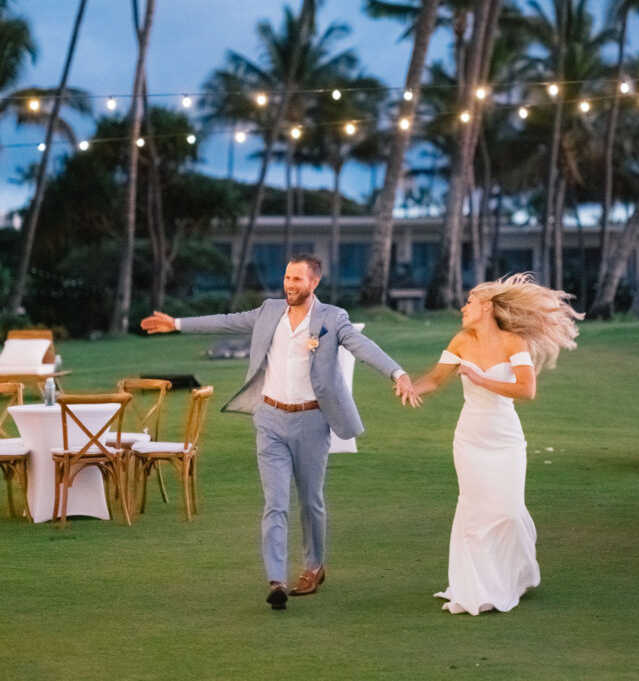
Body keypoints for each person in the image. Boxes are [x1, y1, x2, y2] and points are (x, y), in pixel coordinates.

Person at [141, 253, 418, 611]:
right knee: (275, 502)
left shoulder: (332, 319)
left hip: (312, 422)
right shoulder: (269, 311)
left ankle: (314, 566)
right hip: (270, 419)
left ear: (314, 282)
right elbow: (226, 322)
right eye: (287, 278)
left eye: (297, 280)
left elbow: (362, 347)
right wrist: (176, 323)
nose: (289, 285)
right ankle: (277, 580)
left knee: (310, 501)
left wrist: (397, 373)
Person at [410, 273, 580, 615]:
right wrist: (411, 387)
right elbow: (435, 378)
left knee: (508, 511)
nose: (463, 307)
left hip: (504, 437)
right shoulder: (461, 341)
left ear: (486, 306)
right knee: (474, 511)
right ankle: (477, 587)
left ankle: (517, 572)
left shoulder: (513, 343)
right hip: (470, 437)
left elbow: (526, 390)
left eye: (469, 302)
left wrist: (481, 378)